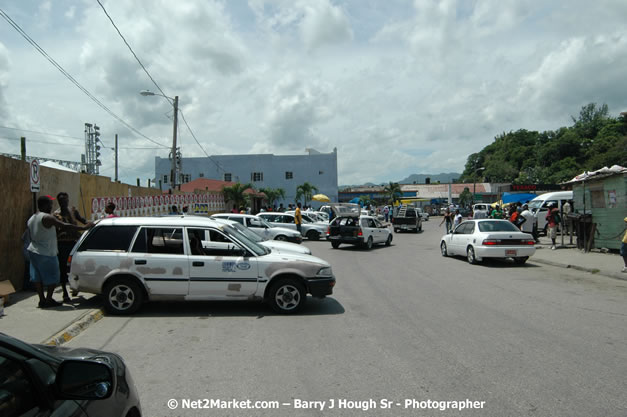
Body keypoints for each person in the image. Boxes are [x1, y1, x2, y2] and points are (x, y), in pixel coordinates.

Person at [29, 195, 93, 308]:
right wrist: (83, 229)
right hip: (47, 252)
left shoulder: (32, 218)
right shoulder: (49, 217)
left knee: (37, 278)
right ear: (44, 205)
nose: (51, 205)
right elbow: (64, 226)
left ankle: (42, 300)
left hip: (34, 251)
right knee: (54, 276)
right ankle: (48, 299)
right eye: (49, 204)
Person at [54, 192, 89, 302]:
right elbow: (64, 228)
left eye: (65, 200)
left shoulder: (73, 211)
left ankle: (75, 286)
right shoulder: (56, 215)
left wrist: (91, 223)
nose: (63, 202)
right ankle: (65, 292)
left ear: (68, 200)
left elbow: (83, 220)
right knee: (63, 269)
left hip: (74, 243)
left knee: (76, 267)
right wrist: (81, 228)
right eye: (61, 201)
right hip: (62, 244)